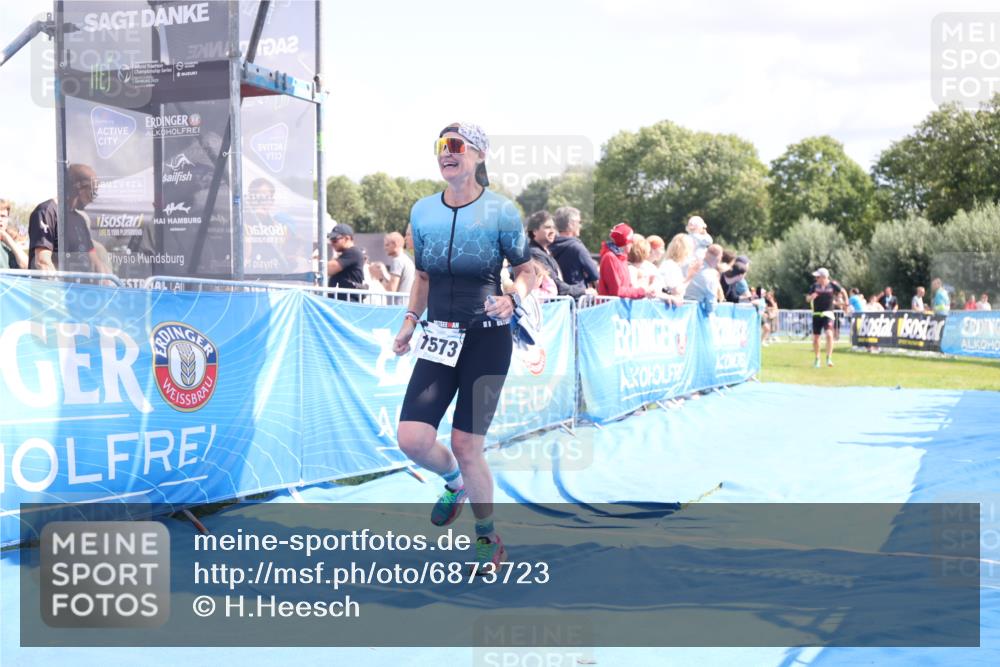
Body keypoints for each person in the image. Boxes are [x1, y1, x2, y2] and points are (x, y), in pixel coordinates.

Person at [392, 122, 534, 574]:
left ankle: (488, 538)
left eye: (455, 146)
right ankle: (453, 483)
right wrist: (410, 322)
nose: (445, 153)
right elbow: (425, 278)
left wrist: (513, 298)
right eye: (440, 146)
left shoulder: (501, 212)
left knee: (467, 445)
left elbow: (529, 271)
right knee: (412, 440)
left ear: (478, 156)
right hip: (439, 336)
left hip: (487, 340)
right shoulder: (422, 211)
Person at [28, 164, 112, 275]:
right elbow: (42, 261)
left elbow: (94, 259)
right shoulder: (47, 211)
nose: (92, 199)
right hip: (55, 289)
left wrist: (107, 280)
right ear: (79, 188)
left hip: (78, 289)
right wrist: (59, 288)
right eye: (92, 192)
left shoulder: (80, 219)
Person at [525, 210, 591, 298]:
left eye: (554, 228)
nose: (553, 231)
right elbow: (557, 286)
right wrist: (583, 291)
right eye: (548, 227)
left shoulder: (544, 251)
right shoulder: (535, 254)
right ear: (534, 231)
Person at [549, 206, 599, 291]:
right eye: (579, 222)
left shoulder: (547, 246)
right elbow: (595, 276)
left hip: (557, 298)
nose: (580, 225)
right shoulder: (577, 248)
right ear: (570, 224)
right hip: (578, 298)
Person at [598, 222, 654, 299]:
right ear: (625, 243)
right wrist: (642, 291)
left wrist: (643, 290)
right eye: (631, 242)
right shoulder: (610, 257)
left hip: (620, 308)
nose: (632, 245)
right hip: (610, 308)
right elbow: (617, 291)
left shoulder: (622, 258)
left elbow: (628, 287)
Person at [806, 267, 847, 368]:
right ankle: (817, 358)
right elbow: (807, 298)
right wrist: (811, 297)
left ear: (824, 277)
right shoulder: (814, 286)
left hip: (828, 313)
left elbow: (843, 291)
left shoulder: (833, 285)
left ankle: (829, 358)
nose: (816, 279)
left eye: (818, 277)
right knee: (816, 338)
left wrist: (847, 301)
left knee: (829, 334)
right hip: (816, 314)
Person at [326, 223, 365, 301]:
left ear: (347, 238)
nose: (332, 243)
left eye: (335, 240)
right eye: (331, 240)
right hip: (343, 302)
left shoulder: (353, 252)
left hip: (348, 303)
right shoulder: (347, 254)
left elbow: (327, 269)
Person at [659, 233, 699, 299]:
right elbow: (676, 291)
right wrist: (690, 277)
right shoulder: (671, 266)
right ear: (685, 250)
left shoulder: (670, 264)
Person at [0, 199, 28, 269]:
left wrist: (6, 237)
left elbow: (26, 266)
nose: (0, 219)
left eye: (3, 216)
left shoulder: (10, 241)